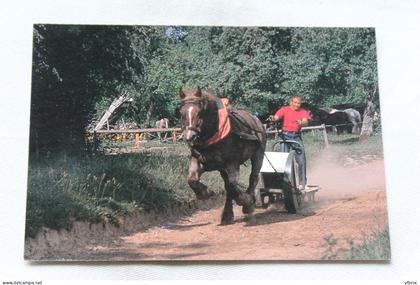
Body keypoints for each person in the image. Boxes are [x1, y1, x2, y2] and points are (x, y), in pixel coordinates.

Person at [268, 96, 311, 189]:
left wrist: (301, 123)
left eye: (298, 103)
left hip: (296, 137)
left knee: (301, 160)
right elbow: (276, 117)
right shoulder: (284, 109)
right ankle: (285, 183)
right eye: (295, 103)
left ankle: (302, 183)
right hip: (285, 136)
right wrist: (273, 118)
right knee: (284, 161)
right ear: (291, 102)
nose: (296, 105)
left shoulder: (303, 111)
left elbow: (305, 122)